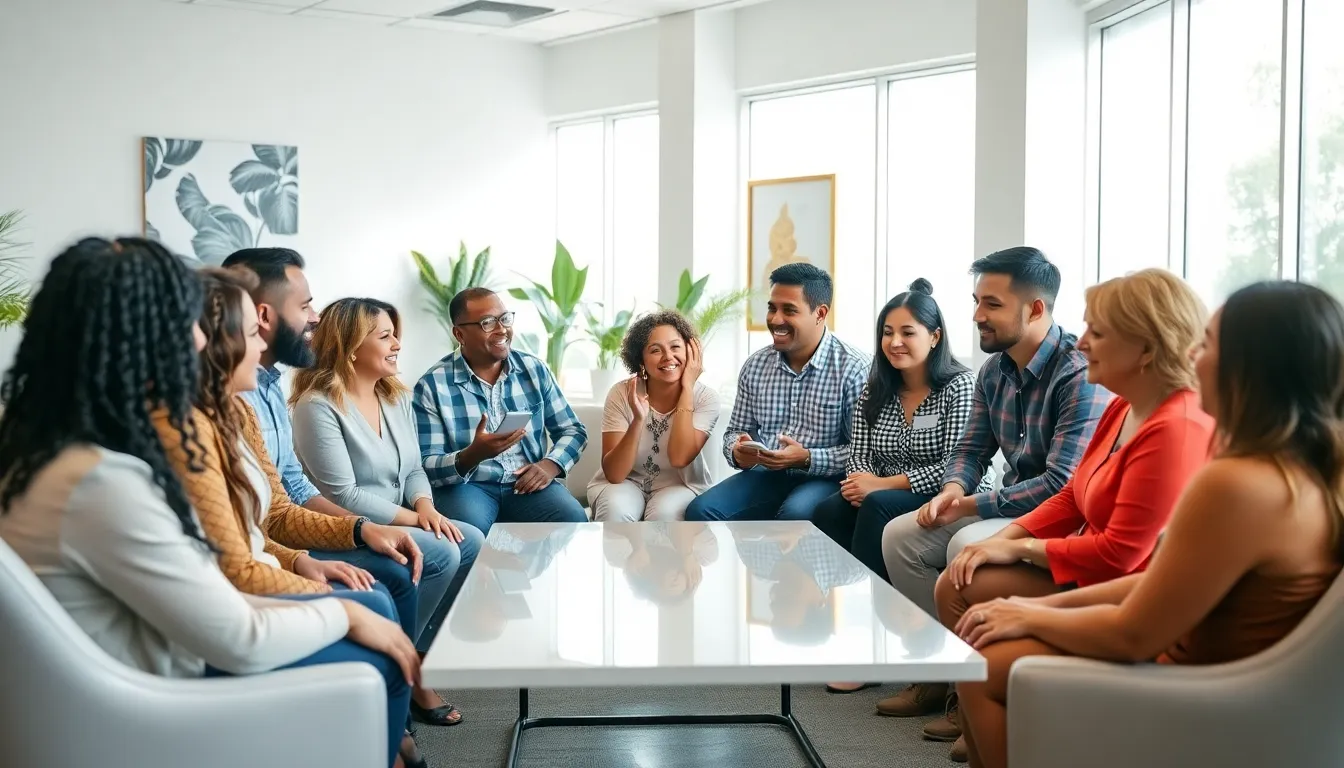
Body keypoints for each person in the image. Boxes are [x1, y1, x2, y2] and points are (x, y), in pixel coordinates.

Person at [0, 238, 417, 768]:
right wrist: (343, 613)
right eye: (189, 323)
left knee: (372, 610)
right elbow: (238, 635)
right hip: (146, 699)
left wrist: (319, 580)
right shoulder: (100, 483)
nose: (203, 336)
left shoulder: (45, 453)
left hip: (120, 671)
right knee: (375, 648)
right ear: (145, 338)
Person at [950, 280, 1344, 768]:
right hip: (1228, 676)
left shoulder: (1238, 483)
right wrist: (1019, 608)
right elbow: (1154, 586)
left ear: (1253, 368)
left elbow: (1135, 633)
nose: (1193, 358)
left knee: (978, 663)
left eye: (1208, 343)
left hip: (1199, 686)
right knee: (988, 631)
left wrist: (1030, 614)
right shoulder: (1303, 471)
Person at [153, 267, 446, 759]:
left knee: (384, 593)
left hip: (270, 562)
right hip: (229, 605)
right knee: (374, 606)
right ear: (209, 341)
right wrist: (327, 585)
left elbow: (275, 513)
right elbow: (237, 558)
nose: (313, 321)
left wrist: (346, 536)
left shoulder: (238, 410)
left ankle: (388, 734)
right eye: (250, 335)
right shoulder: (190, 426)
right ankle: (389, 737)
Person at [929, 268, 1214, 760]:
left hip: (1121, 591)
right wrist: (1007, 537)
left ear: (1147, 348)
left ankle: (994, 720)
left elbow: (1122, 556)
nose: (1081, 343)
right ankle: (986, 726)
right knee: (957, 582)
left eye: (1097, 332)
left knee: (982, 660)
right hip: (1092, 574)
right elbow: (1074, 496)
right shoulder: (1124, 407)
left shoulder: (1176, 427)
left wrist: (1021, 548)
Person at [873, 247, 1109, 756]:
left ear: (1036, 310)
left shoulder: (1077, 374)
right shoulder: (994, 370)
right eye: (977, 300)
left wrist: (975, 506)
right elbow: (971, 449)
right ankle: (940, 673)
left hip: (1055, 515)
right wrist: (955, 489)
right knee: (899, 535)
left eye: (992, 304)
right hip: (1004, 502)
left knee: (962, 543)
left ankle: (969, 694)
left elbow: (1060, 483)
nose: (977, 314)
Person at [221, 249, 464, 728]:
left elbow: (282, 495)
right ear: (262, 317)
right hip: (275, 554)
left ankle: (401, 693)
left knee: (428, 555)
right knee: (412, 566)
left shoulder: (264, 390)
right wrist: (347, 536)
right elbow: (246, 542)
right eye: (307, 307)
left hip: (291, 538)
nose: (316, 319)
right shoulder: (280, 402)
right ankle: (401, 695)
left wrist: (382, 522)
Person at [290, 297, 486, 723]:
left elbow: (413, 468)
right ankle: (406, 672)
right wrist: (418, 521)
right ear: (352, 346)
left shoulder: (395, 397)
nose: (397, 342)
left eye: (395, 333)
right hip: (342, 527)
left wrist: (425, 506)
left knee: (471, 540)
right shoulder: (317, 406)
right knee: (443, 550)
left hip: (397, 517)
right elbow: (344, 495)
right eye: (385, 335)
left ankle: (413, 657)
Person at [810, 278, 985, 575]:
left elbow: (953, 464)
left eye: (908, 333)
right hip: (880, 491)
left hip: (947, 493)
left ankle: (879, 602)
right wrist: (861, 483)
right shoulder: (875, 390)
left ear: (934, 337)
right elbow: (859, 453)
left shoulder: (960, 387)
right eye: (887, 333)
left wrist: (880, 485)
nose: (895, 342)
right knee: (828, 510)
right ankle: (835, 594)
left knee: (877, 505)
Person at [684, 264, 869, 523]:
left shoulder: (854, 369)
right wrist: (737, 451)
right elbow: (735, 431)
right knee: (700, 510)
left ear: (820, 313)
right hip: (766, 474)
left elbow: (865, 453)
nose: (775, 319)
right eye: (772, 308)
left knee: (794, 516)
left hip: (825, 479)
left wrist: (806, 458)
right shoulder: (756, 365)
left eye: (789, 310)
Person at [413, 288, 588, 533]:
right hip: (469, 486)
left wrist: (550, 464)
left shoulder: (533, 369)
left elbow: (572, 429)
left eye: (505, 318)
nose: (502, 329)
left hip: (527, 483)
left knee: (573, 517)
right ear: (459, 334)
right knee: (466, 533)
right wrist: (472, 455)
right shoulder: (432, 385)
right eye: (488, 322)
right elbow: (425, 463)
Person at [587, 311, 721, 522]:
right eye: (655, 350)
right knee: (615, 509)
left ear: (690, 351)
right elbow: (615, 474)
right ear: (640, 360)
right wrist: (638, 420)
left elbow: (679, 457)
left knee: (665, 515)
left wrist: (687, 389)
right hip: (625, 482)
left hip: (680, 485)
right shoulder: (621, 393)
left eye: (676, 347)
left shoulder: (706, 398)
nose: (668, 356)